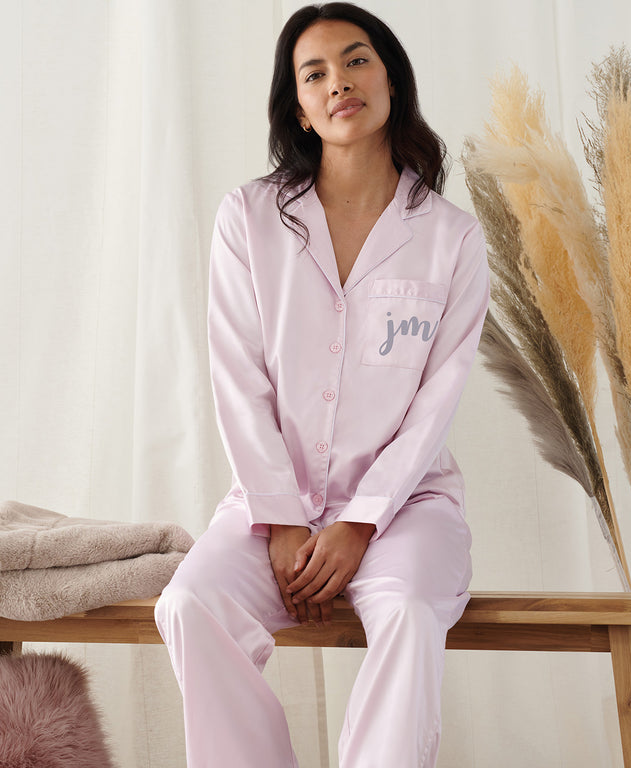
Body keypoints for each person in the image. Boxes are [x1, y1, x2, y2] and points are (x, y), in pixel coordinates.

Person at [155, 3, 489, 766]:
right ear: (300, 110)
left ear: (392, 81)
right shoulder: (249, 219)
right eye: (315, 73)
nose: (339, 81)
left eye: (357, 59)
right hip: (273, 511)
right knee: (190, 602)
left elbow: (435, 405)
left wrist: (362, 521)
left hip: (407, 510)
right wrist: (280, 515)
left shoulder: (452, 238)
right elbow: (238, 377)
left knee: (408, 608)